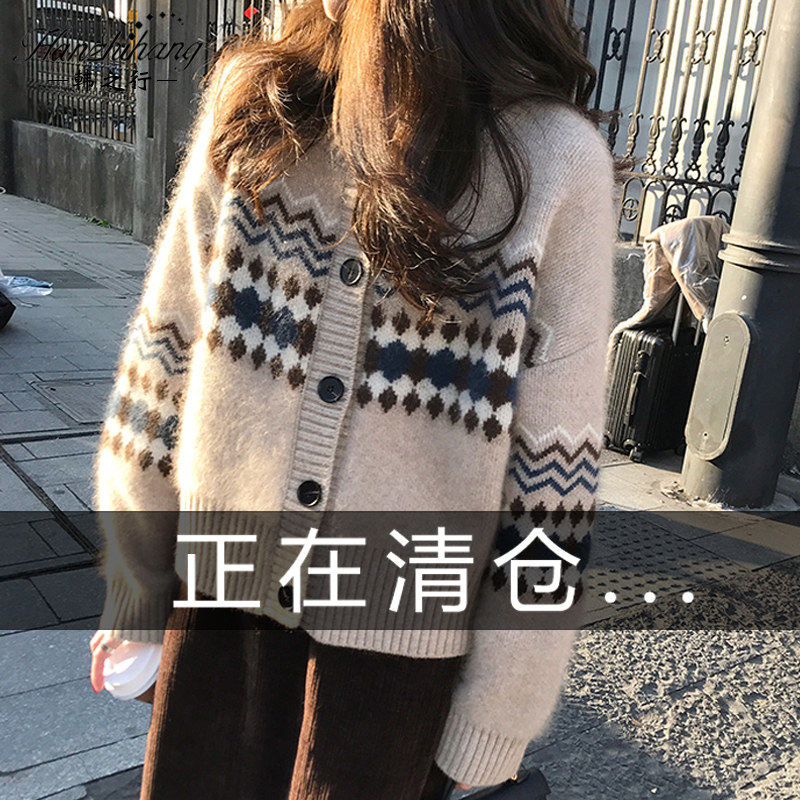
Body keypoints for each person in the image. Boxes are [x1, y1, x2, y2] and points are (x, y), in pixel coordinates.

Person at [89, 0, 616, 797]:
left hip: (393, 674)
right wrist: (135, 586)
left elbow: (553, 484)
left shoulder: (551, 160)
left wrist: (497, 715)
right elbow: (163, 363)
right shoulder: (260, 106)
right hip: (219, 616)